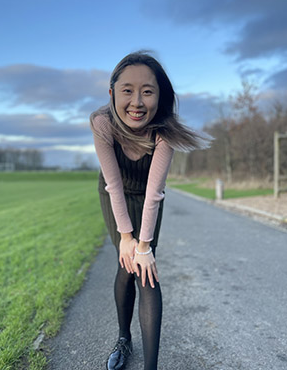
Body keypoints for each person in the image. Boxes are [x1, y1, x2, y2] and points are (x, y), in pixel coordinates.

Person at [90, 51, 210, 370]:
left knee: (146, 270)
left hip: (146, 197)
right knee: (126, 264)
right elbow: (114, 186)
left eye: (148, 91)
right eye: (128, 90)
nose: (137, 101)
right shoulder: (102, 123)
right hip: (115, 193)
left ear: (160, 95)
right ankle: (123, 338)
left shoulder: (164, 132)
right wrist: (127, 238)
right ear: (113, 92)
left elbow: (154, 193)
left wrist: (144, 246)